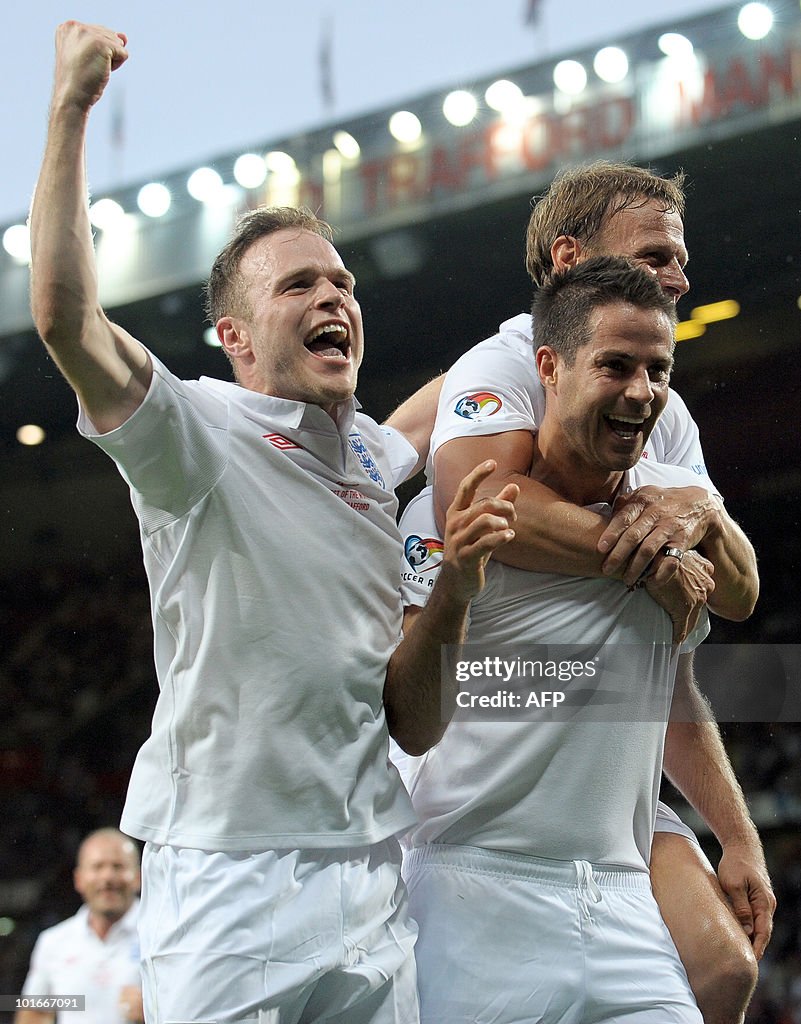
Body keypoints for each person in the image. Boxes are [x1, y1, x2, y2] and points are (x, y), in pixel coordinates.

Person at [30, 22, 517, 1024]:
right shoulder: (195, 431)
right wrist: (72, 108)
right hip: (229, 880)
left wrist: (548, 316)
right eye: (299, 284)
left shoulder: (367, 461)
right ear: (237, 338)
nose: (333, 294)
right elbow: (65, 320)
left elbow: (442, 402)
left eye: (340, 281)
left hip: (370, 873)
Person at [387, 162, 773, 1024]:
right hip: (469, 856)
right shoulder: (493, 371)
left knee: (724, 971)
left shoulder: (663, 425)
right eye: (653, 256)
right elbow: (471, 502)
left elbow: (730, 603)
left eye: (679, 261)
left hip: (609, 874)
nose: (674, 277)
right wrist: (646, 550)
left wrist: (696, 509)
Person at [16, 829, 144, 1024]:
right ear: (79, 879)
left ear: (138, 877)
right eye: (97, 867)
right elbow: (35, 1013)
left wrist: (155, 1011)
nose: (107, 877)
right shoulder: (54, 941)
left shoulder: (161, 937)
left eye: (118, 867)